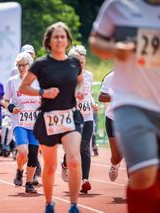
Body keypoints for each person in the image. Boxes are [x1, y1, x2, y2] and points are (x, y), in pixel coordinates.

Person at [89, 0, 160, 212]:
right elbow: (96, 42)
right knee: (142, 172)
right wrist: (115, 48)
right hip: (131, 102)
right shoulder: (118, 6)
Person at [20, 22, 84, 213]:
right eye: (55, 36)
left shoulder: (74, 63)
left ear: (67, 40)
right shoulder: (41, 64)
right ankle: (49, 203)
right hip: (48, 118)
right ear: (49, 41)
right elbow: (24, 87)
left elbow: (79, 82)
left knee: (73, 159)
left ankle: (73, 205)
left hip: (70, 116)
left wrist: (78, 92)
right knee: (50, 166)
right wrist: (43, 92)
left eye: (62, 36)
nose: (59, 39)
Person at [60, 45, 99, 194]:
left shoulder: (89, 75)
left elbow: (88, 93)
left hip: (87, 116)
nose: (80, 65)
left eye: (82, 62)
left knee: (85, 147)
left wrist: (92, 102)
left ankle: (85, 180)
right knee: (72, 150)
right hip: (71, 117)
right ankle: (65, 164)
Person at [4, 52, 41, 193]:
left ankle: (29, 183)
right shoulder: (12, 81)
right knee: (23, 151)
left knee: (33, 154)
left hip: (35, 122)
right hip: (19, 122)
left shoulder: (38, 81)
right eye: (19, 65)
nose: (21, 68)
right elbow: (5, 101)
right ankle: (20, 170)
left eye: (24, 65)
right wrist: (12, 108)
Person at [98, 71, 123, 182]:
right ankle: (115, 164)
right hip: (113, 119)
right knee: (117, 156)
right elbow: (101, 97)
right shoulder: (112, 76)